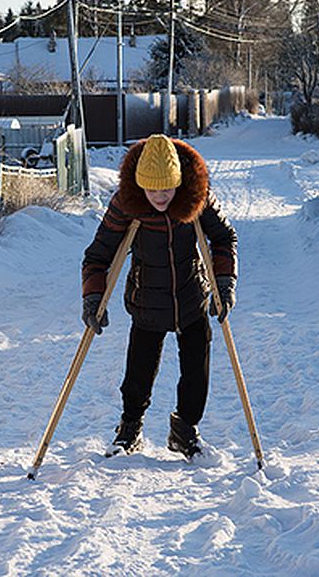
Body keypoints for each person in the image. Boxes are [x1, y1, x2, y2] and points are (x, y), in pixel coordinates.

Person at [81, 134, 237, 460]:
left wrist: (223, 284)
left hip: (192, 296)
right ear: (141, 185)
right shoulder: (127, 203)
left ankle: (185, 431)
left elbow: (224, 238)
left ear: (179, 182)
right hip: (146, 301)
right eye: (153, 190)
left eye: (167, 189)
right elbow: (98, 255)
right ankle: (130, 428)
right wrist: (93, 298)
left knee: (197, 372)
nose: (161, 196)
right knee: (138, 373)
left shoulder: (197, 197)